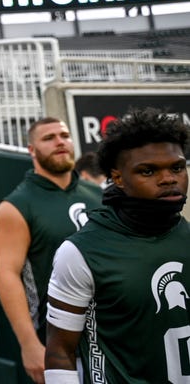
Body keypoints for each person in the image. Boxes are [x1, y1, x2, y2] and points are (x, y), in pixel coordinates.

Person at [45, 108, 190, 383]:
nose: (169, 179)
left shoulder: (186, 234)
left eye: (177, 167)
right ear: (119, 178)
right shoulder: (82, 252)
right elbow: (60, 351)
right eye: (148, 171)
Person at [0, 117, 103, 383]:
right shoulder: (17, 205)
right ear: (32, 150)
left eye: (64, 135)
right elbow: (7, 276)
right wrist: (29, 343)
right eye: (48, 138)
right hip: (59, 343)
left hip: (109, 335)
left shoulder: (98, 195)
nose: (59, 142)